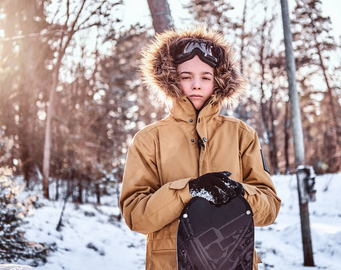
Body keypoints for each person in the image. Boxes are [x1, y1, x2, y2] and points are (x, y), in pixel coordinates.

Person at [119, 26, 281, 270]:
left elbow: (269, 210)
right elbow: (136, 216)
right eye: (186, 77)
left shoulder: (241, 134)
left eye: (206, 77)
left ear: (218, 80)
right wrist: (188, 190)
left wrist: (238, 193)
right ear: (171, 79)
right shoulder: (149, 139)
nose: (196, 85)